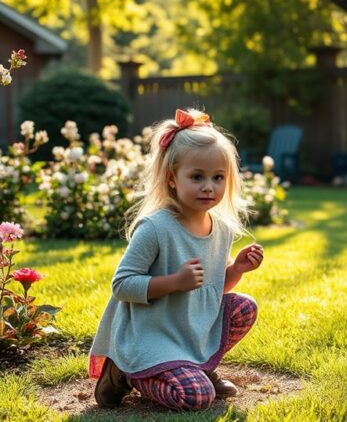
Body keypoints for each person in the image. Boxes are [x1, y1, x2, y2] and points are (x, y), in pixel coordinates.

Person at [88, 108, 265, 410]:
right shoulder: (156, 228)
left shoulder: (220, 228)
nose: (209, 186)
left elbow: (212, 290)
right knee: (196, 397)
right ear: (172, 179)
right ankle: (125, 372)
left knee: (244, 307)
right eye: (197, 176)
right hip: (151, 335)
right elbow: (122, 285)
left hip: (189, 329)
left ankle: (201, 366)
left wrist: (236, 269)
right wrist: (174, 282)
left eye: (218, 177)